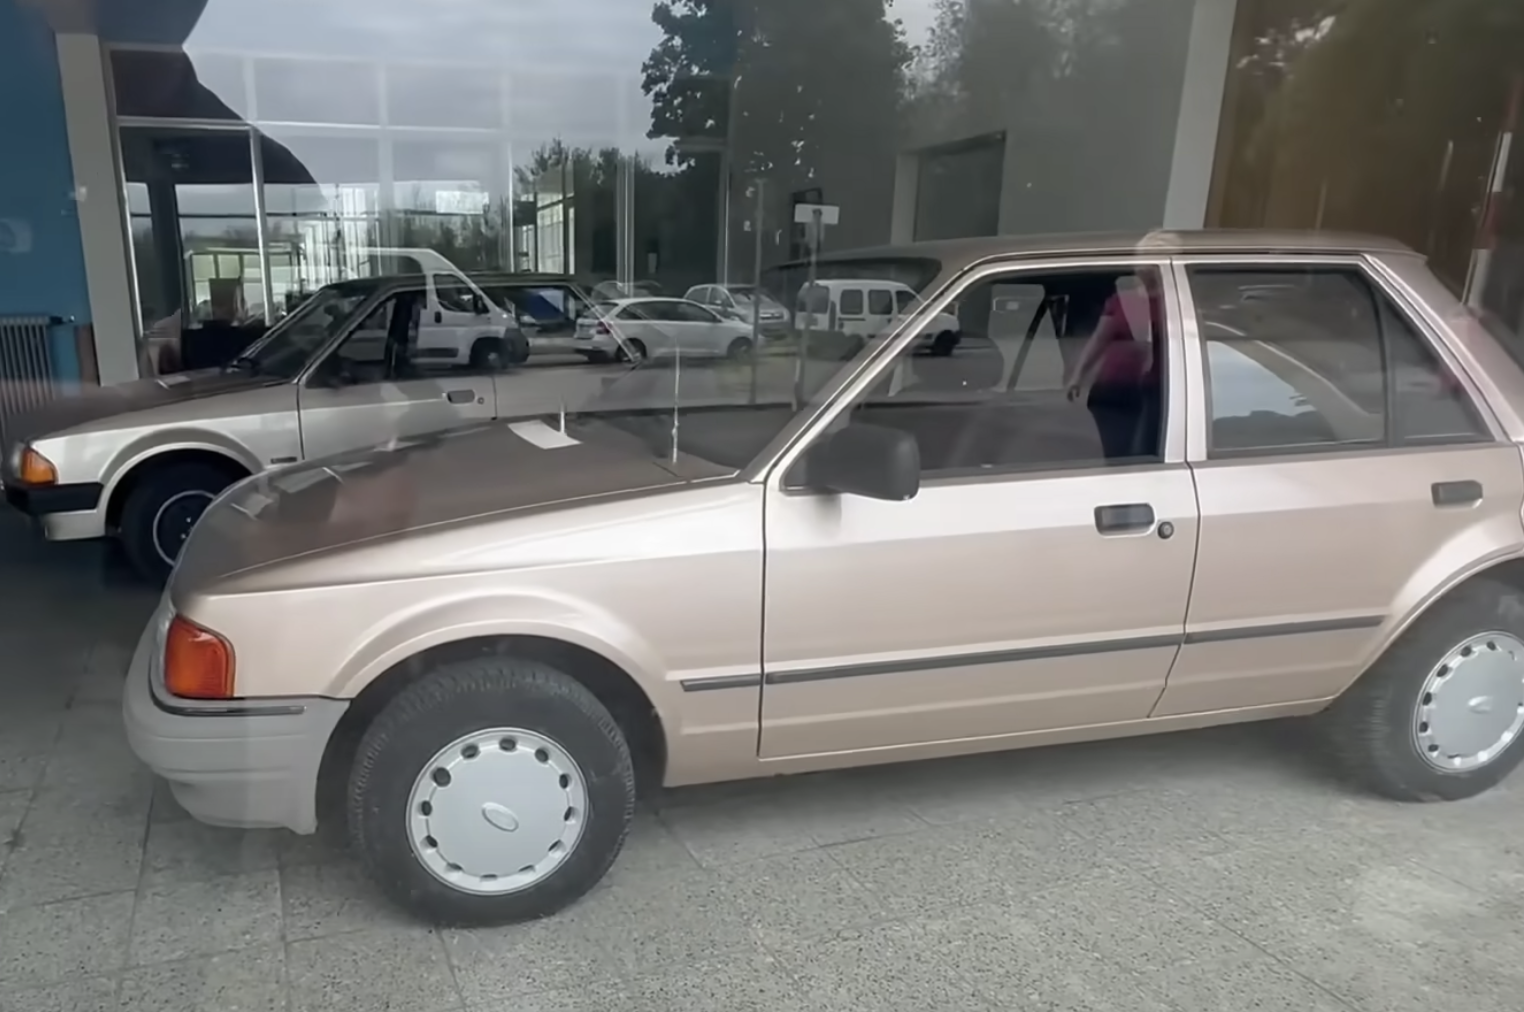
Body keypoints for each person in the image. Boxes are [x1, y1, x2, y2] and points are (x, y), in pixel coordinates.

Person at [1063, 273, 1165, 461]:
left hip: (1158, 392)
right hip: (1113, 389)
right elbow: (1099, 339)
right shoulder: (1122, 301)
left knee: (1149, 453)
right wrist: (1077, 376)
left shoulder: (1176, 303)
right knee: (1118, 454)